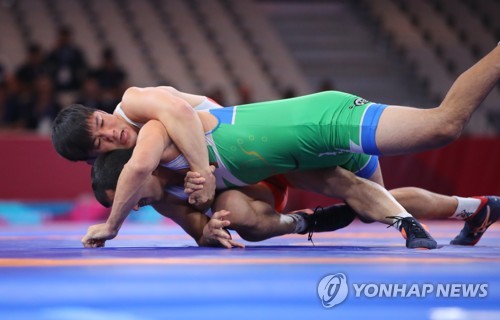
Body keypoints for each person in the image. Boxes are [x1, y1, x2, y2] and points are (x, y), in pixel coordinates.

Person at [52, 44, 500, 248]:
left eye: (101, 123)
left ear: (102, 111)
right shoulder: (149, 178)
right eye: (100, 143)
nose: (111, 133)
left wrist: (111, 227)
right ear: (97, 158)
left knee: (443, 125)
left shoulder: (138, 113)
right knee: (371, 205)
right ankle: (474, 208)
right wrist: (205, 230)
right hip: (264, 159)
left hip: (305, 130)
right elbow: (176, 211)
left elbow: (180, 116)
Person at [90, 148, 500, 248]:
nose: (134, 205)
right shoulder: (161, 200)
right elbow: (198, 231)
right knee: (232, 218)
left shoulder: (163, 147)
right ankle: (306, 222)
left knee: (371, 200)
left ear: (133, 172)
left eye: (129, 197)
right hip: (259, 186)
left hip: (263, 155)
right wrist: (209, 230)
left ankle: (476, 207)